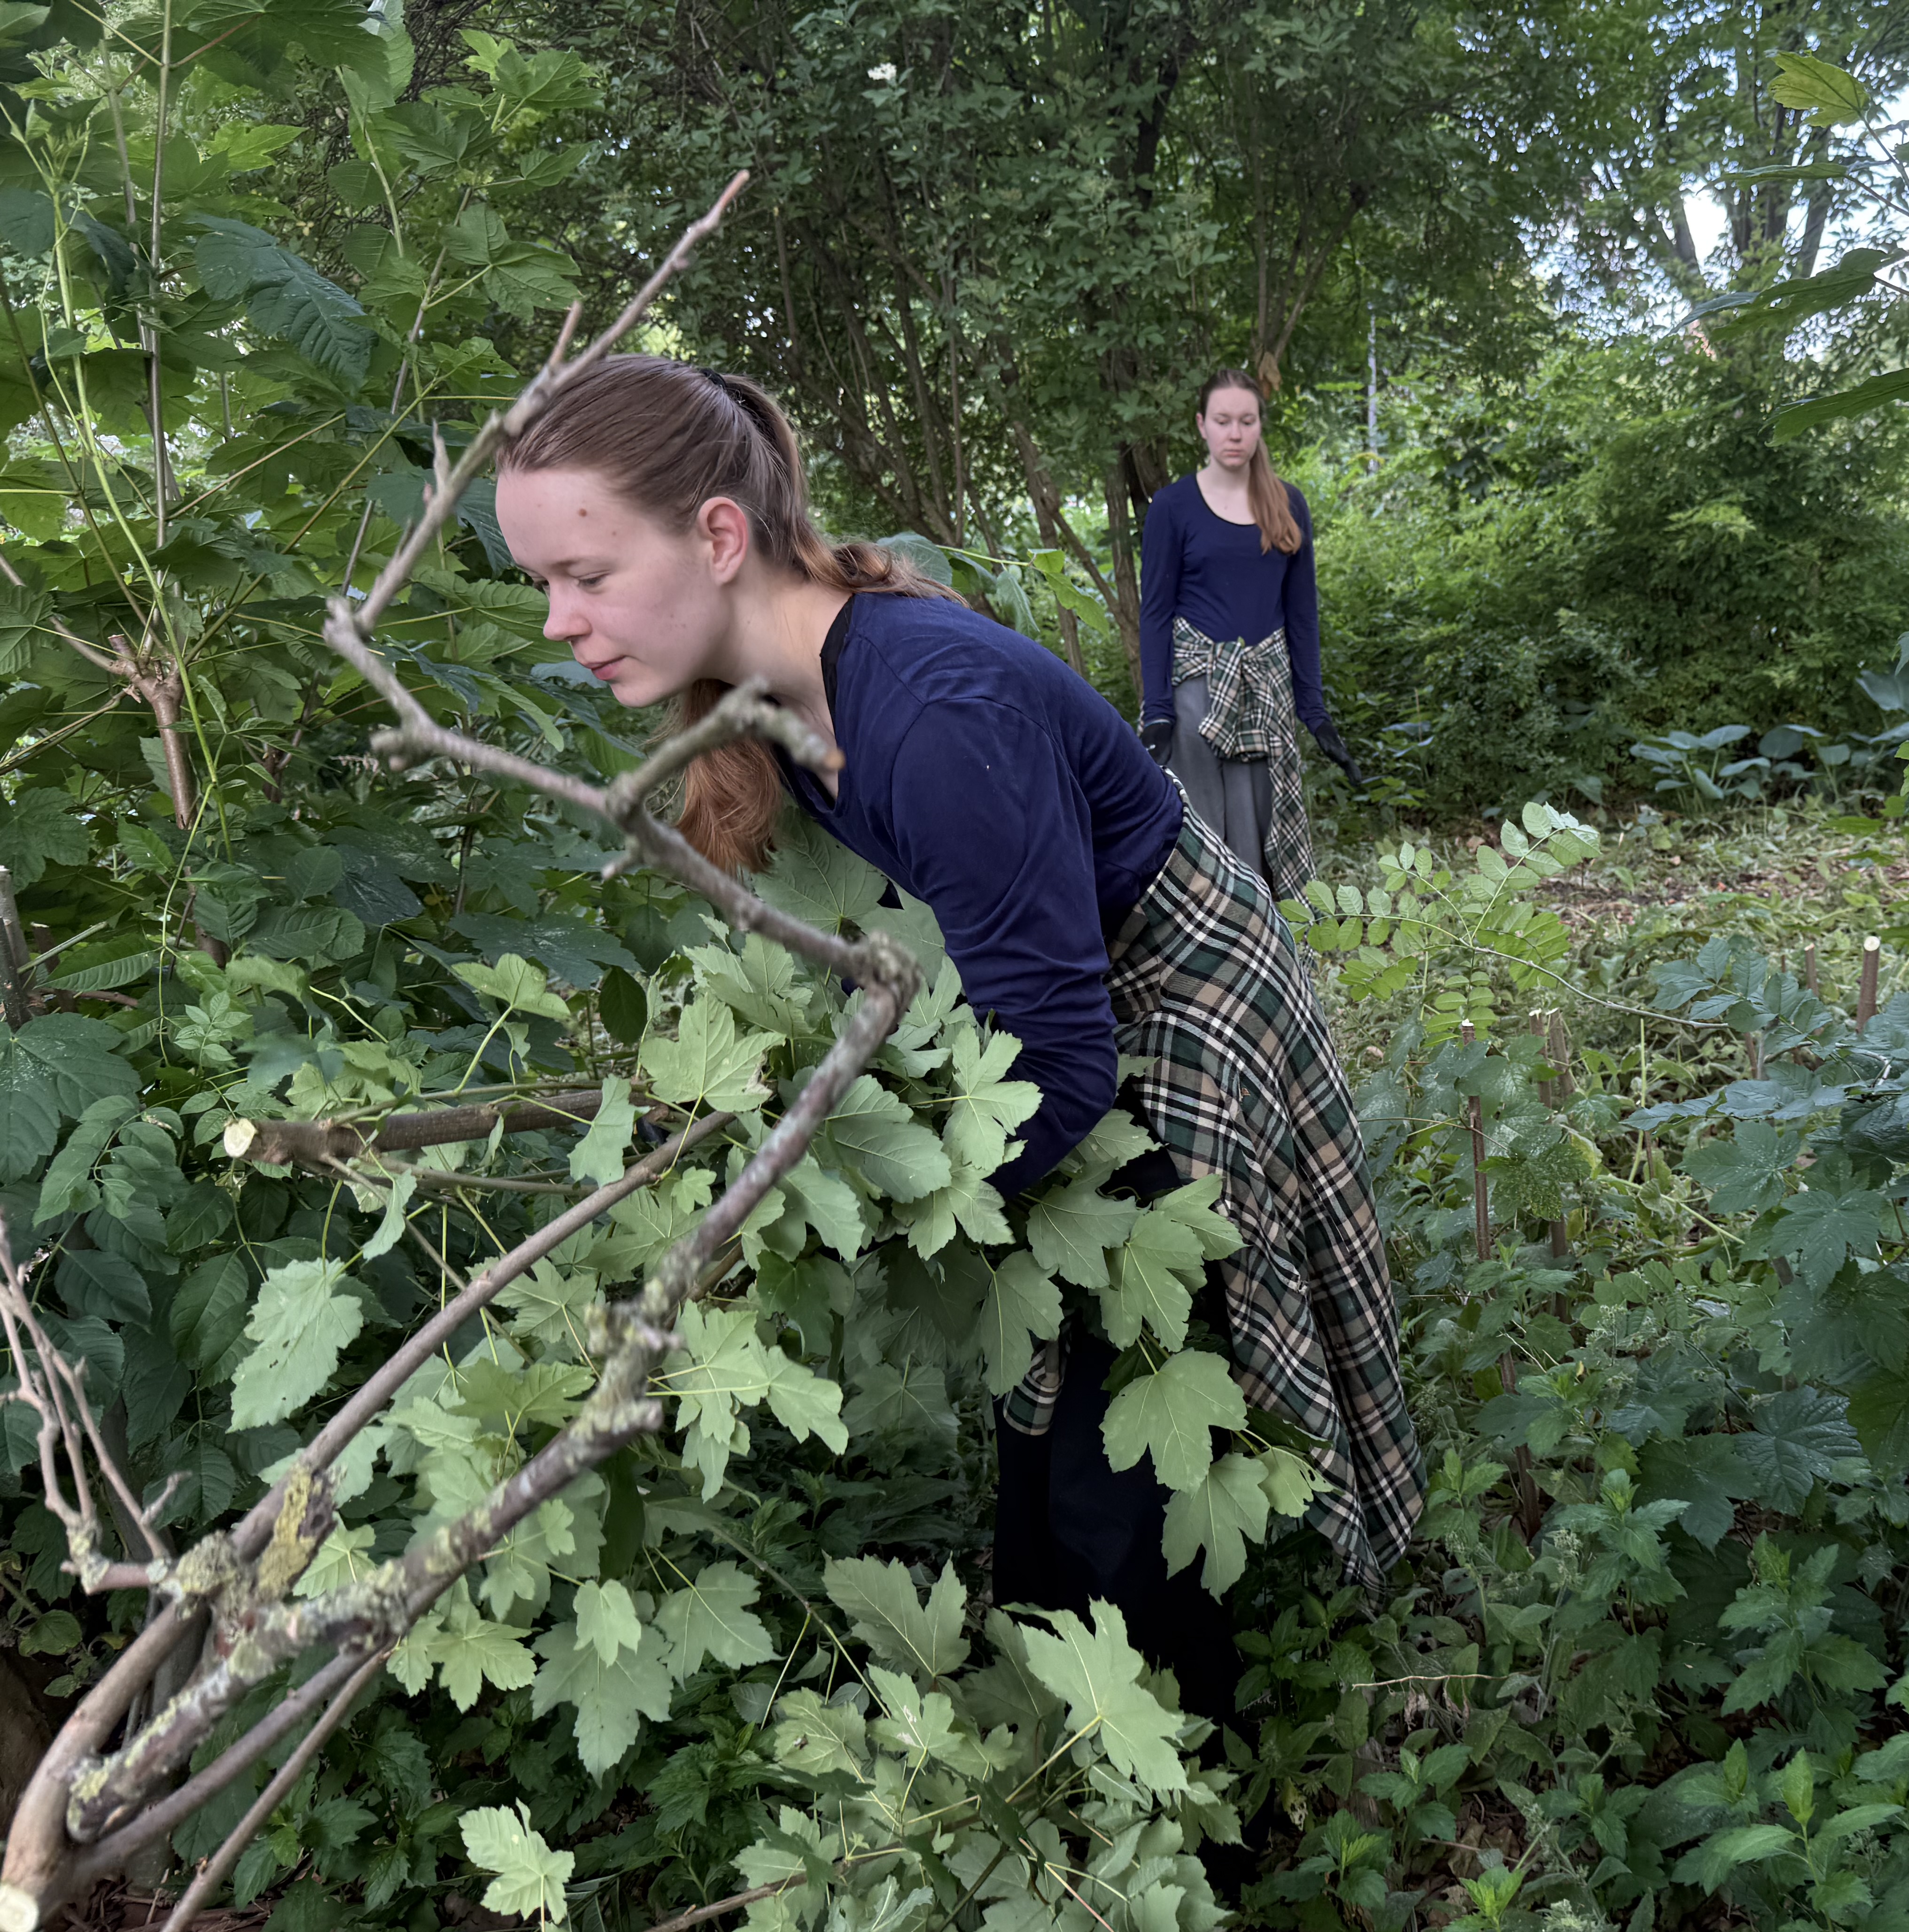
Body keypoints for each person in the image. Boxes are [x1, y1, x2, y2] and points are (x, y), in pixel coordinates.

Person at [492, 356, 1421, 1730]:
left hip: (1170, 1002)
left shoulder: (927, 719)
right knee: (1044, 1416)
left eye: (586, 573)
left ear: (717, 535)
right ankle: (1066, 1719)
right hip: (1064, 1007)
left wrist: (856, 1210)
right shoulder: (779, 700)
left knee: (1120, 1436)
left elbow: (1062, 1070)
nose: (561, 623)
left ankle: (1175, 1792)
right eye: (540, 587)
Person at [1134, 368, 1362, 900]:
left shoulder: (1288, 505)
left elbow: (1302, 616)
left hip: (1267, 697)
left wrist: (1316, 712)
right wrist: (1160, 710)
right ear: (1202, 427)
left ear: (1260, 427)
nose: (1234, 433)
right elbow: (1155, 614)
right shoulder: (1173, 508)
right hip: (1194, 703)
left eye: (1246, 421)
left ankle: (1269, 965)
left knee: (1264, 842)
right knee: (1202, 843)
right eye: (1222, 421)